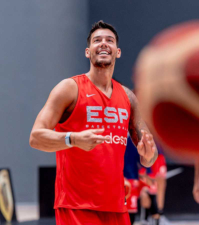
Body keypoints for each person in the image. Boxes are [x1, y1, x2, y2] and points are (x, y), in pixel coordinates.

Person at [29, 20, 158, 225]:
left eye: (110, 40)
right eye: (97, 40)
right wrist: (73, 139)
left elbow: (150, 157)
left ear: (118, 52)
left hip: (116, 206)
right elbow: (35, 137)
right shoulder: (69, 89)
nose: (104, 43)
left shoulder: (128, 97)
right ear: (88, 52)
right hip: (76, 206)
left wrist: (149, 156)